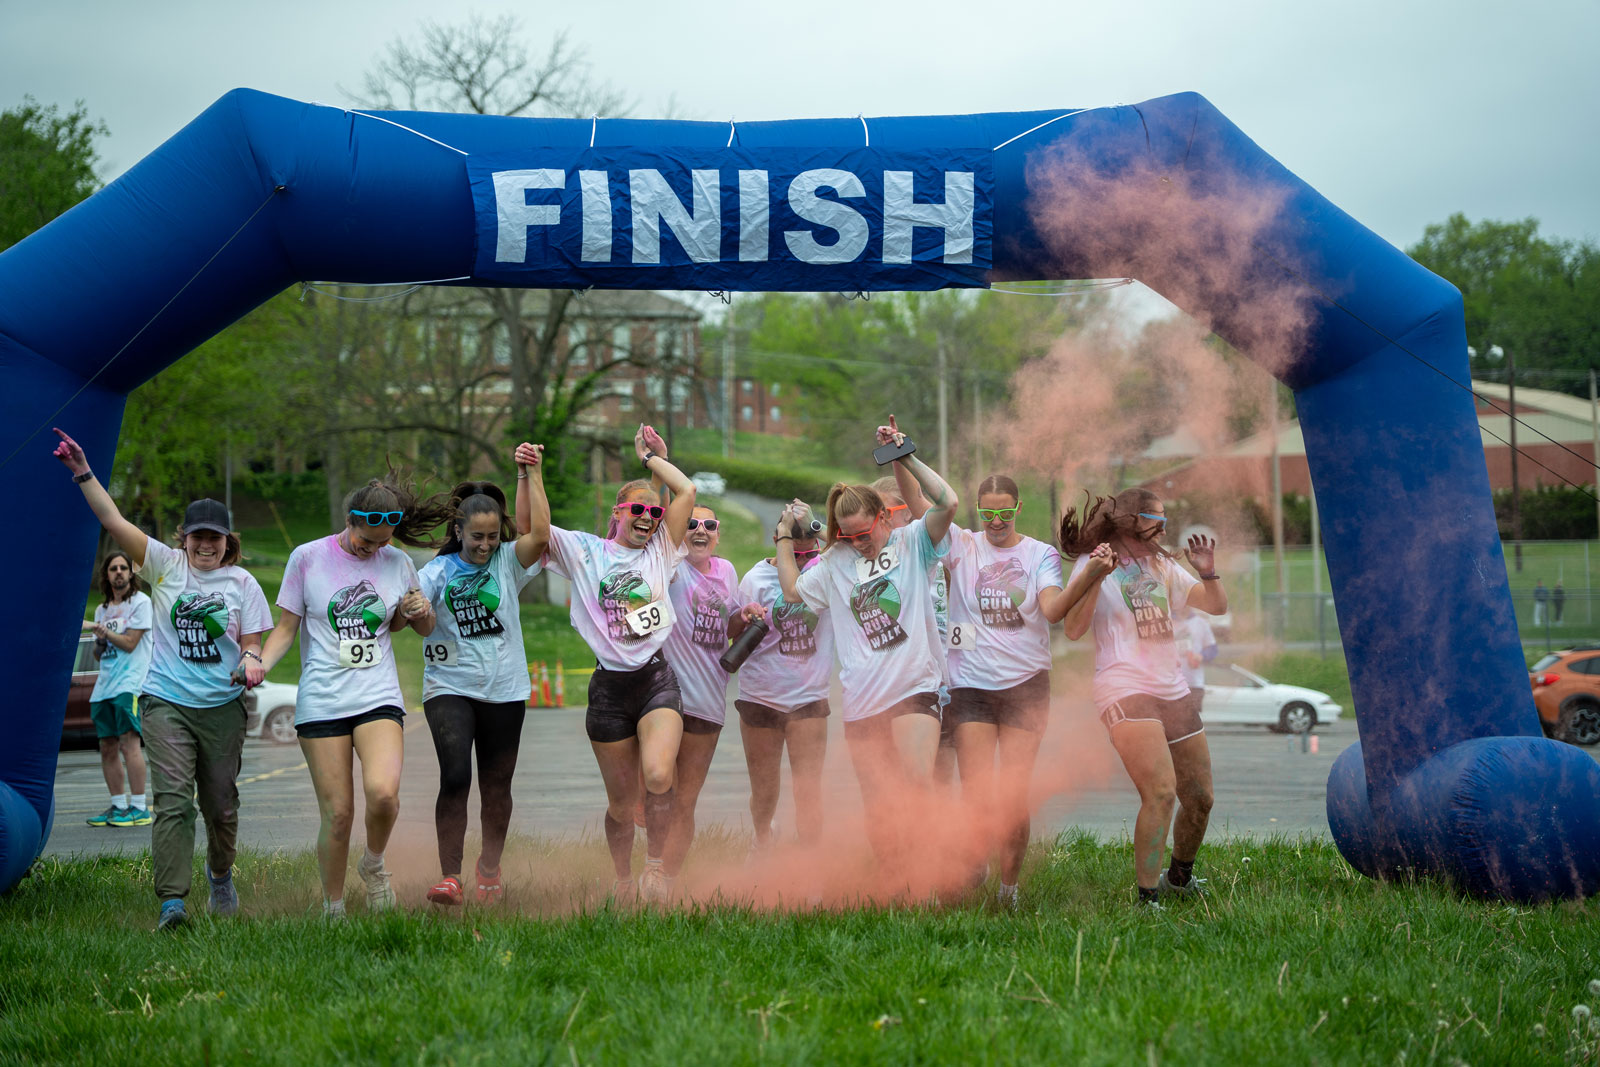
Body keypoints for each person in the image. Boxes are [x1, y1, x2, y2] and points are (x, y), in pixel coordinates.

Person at [52, 429, 271, 930]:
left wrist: (251, 659)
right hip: (165, 702)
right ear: (184, 538)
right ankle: (172, 902)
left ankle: (220, 875)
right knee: (173, 802)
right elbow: (112, 519)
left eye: (215, 538)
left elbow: (255, 640)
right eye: (198, 537)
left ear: (227, 541)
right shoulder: (166, 567)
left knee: (221, 807)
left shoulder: (243, 584)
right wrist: (83, 471)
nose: (206, 545)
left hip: (221, 706)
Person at [774, 417, 957, 887]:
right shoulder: (835, 562)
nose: (858, 543)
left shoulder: (913, 541)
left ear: (883, 517)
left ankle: (930, 875)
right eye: (848, 536)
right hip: (863, 703)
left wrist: (904, 455)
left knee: (917, 784)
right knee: (878, 801)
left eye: (864, 533)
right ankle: (896, 881)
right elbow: (794, 593)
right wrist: (782, 539)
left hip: (915, 687)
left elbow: (948, 501)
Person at [257, 469, 444, 919]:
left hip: (376, 694)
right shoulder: (307, 557)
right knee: (338, 815)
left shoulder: (398, 563)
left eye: (382, 542)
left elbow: (416, 626)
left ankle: (374, 865)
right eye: (367, 541)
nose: (373, 550)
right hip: (321, 698)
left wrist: (419, 611)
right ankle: (333, 908)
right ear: (350, 520)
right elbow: (286, 628)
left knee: (383, 794)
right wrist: (260, 664)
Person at [532, 425, 696, 904]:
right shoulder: (587, 552)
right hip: (608, 689)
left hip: (655, 678)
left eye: (654, 512)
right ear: (617, 514)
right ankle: (622, 879)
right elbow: (538, 530)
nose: (647, 518)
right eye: (637, 510)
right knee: (623, 806)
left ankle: (656, 872)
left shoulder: (662, 550)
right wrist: (532, 473)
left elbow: (686, 490)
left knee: (660, 776)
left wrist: (652, 459)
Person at [1059, 487, 1228, 907]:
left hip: (1172, 687)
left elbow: (1215, 606)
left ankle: (1179, 878)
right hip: (1123, 686)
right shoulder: (1092, 561)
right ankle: (1146, 899)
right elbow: (1074, 629)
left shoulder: (1161, 565)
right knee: (1161, 793)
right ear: (1134, 519)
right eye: (1159, 519)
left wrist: (1208, 572)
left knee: (1201, 798)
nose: (1163, 527)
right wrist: (1096, 576)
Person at [937, 474, 1080, 908]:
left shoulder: (1040, 554)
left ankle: (1008, 890)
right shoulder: (962, 545)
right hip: (971, 686)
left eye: (1004, 512)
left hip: (1026, 688)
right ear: (978, 512)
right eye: (988, 513)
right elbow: (926, 503)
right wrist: (902, 457)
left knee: (1014, 794)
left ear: (1017, 508)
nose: (996, 521)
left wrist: (1088, 572)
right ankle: (975, 863)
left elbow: (1054, 610)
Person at [417, 453, 549, 907]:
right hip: (449, 686)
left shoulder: (507, 562)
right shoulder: (435, 572)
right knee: (455, 775)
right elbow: (414, 621)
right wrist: (418, 614)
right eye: (477, 536)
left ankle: (489, 866)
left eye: (493, 536)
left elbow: (541, 535)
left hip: (505, 690)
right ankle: (450, 877)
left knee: (498, 786)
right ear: (458, 532)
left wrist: (531, 473)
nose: (486, 545)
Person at [732, 512, 833, 857]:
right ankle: (762, 840)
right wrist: (747, 616)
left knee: (808, 789)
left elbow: (847, 542)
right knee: (764, 790)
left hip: (809, 698)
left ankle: (810, 861)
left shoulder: (825, 570)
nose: (806, 561)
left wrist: (815, 521)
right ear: (779, 542)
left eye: (811, 552)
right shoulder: (756, 577)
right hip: (761, 695)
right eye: (798, 553)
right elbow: (733, 630)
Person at [658, 500, 743, 895]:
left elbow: (731, 624)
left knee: (684, 801)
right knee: (657, 790)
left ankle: (666, 880)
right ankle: (646, 869)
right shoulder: (671, 565)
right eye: (692, 523)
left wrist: (747, 616)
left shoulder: (726, 571)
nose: (700, 530)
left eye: (709, 524)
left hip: (708, 702)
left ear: (718, 533)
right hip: (665, 697)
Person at [82, 550, 154, 828]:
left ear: (131, 573)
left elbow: (130, 643)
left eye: (124, 567)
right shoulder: (102, 610)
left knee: (129, 743)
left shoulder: (141, 602)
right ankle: (118, 805)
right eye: (114, 568)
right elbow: (103, 653)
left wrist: (101, 630)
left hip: (130, 684)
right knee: (107, 747)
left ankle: (139, 807)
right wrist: (100, 640)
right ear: (107, 575)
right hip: (104, 687)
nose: (119, 572)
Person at [1176, 605, 1219, 706]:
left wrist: (1202, 656)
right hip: (1170, 684)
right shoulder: (1166, 622)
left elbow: (1213, 649)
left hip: (1194, 683)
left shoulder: (1201, 623)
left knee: (1192, 720)